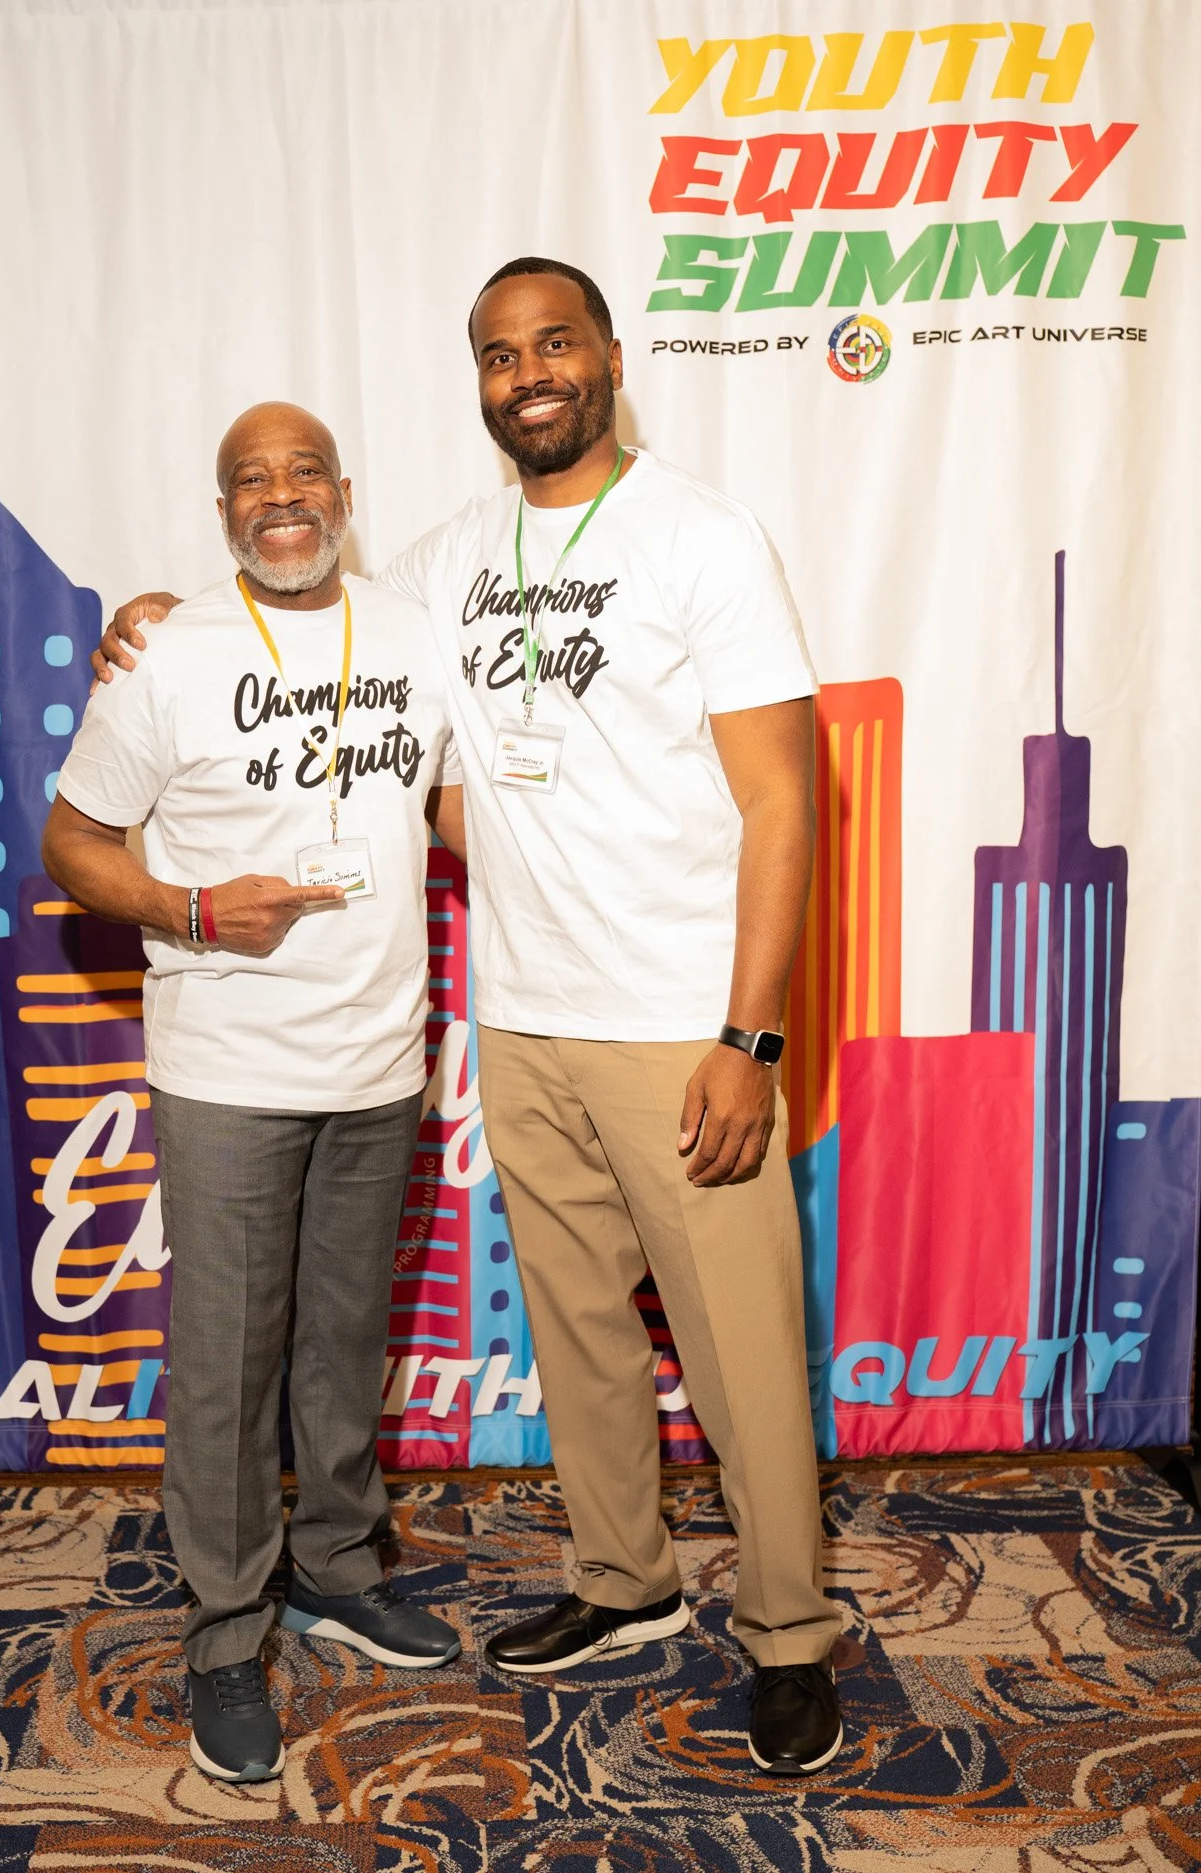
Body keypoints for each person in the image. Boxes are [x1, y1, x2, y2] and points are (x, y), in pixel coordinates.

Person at [92, 260, 844, 1775]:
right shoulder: (444, 563)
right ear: (480, 382)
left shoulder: (705, 536)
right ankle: (625, 1582)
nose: (530, 374)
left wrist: (752, 1037)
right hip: (527, 1013)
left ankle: (789, 1632)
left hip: (681, 1023)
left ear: (610, 356)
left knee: (744, 1351)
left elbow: (785, 796)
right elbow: (306, 622)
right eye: (500, 356)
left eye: (554, 343)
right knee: (582, 1340)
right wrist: (161, 623)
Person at [43, 401, 464, 1786]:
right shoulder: (170, 652)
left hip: (376, 1057)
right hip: (227, 1060)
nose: (278, 499)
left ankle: (337, 1566)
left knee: (344, 1339)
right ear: (223, 511)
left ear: (342, 492)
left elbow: (455, 807)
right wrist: (188, 906)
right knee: (228, 1362)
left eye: (301, 475)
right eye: (248, 482)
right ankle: (228, 1627)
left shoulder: (412, 631)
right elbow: (72, 840)